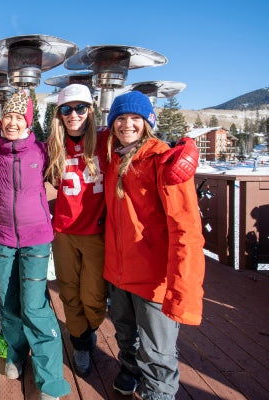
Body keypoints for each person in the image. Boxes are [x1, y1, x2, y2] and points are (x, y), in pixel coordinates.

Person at [103, 91, 205, 400]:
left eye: (136, 118)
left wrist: (182, 289)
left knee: (157, 351)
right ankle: (130, 371)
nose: (127, 124)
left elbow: (186, 228)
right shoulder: (114, 157)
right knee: (125, 334)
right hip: (118, 272)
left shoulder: (164, 160)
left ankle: (158, 394)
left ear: (148, 122)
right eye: (120, 118)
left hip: (153, 277)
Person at [0, 90, 71, 400]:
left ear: (28, 122)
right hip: (3, 238)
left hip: (36, 239)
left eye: (18, 117)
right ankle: (16, 352)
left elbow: (74, 160)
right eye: (7, 116)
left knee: (35, 307)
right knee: (9, 303)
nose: (12, 122)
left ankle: (51, 380)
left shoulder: (41, 151)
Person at [45, 84, 109, 377]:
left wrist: (183, 148)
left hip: (95, 234)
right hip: (63, 234)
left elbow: (144, 145)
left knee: (94, 297)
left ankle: (91, 327)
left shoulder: (105, 141)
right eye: (67, 109)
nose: (74, 115)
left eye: (80, 108)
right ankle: (80, 342)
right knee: (69, 293)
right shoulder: (53, 146)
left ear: (90, 111)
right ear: (59, 114)